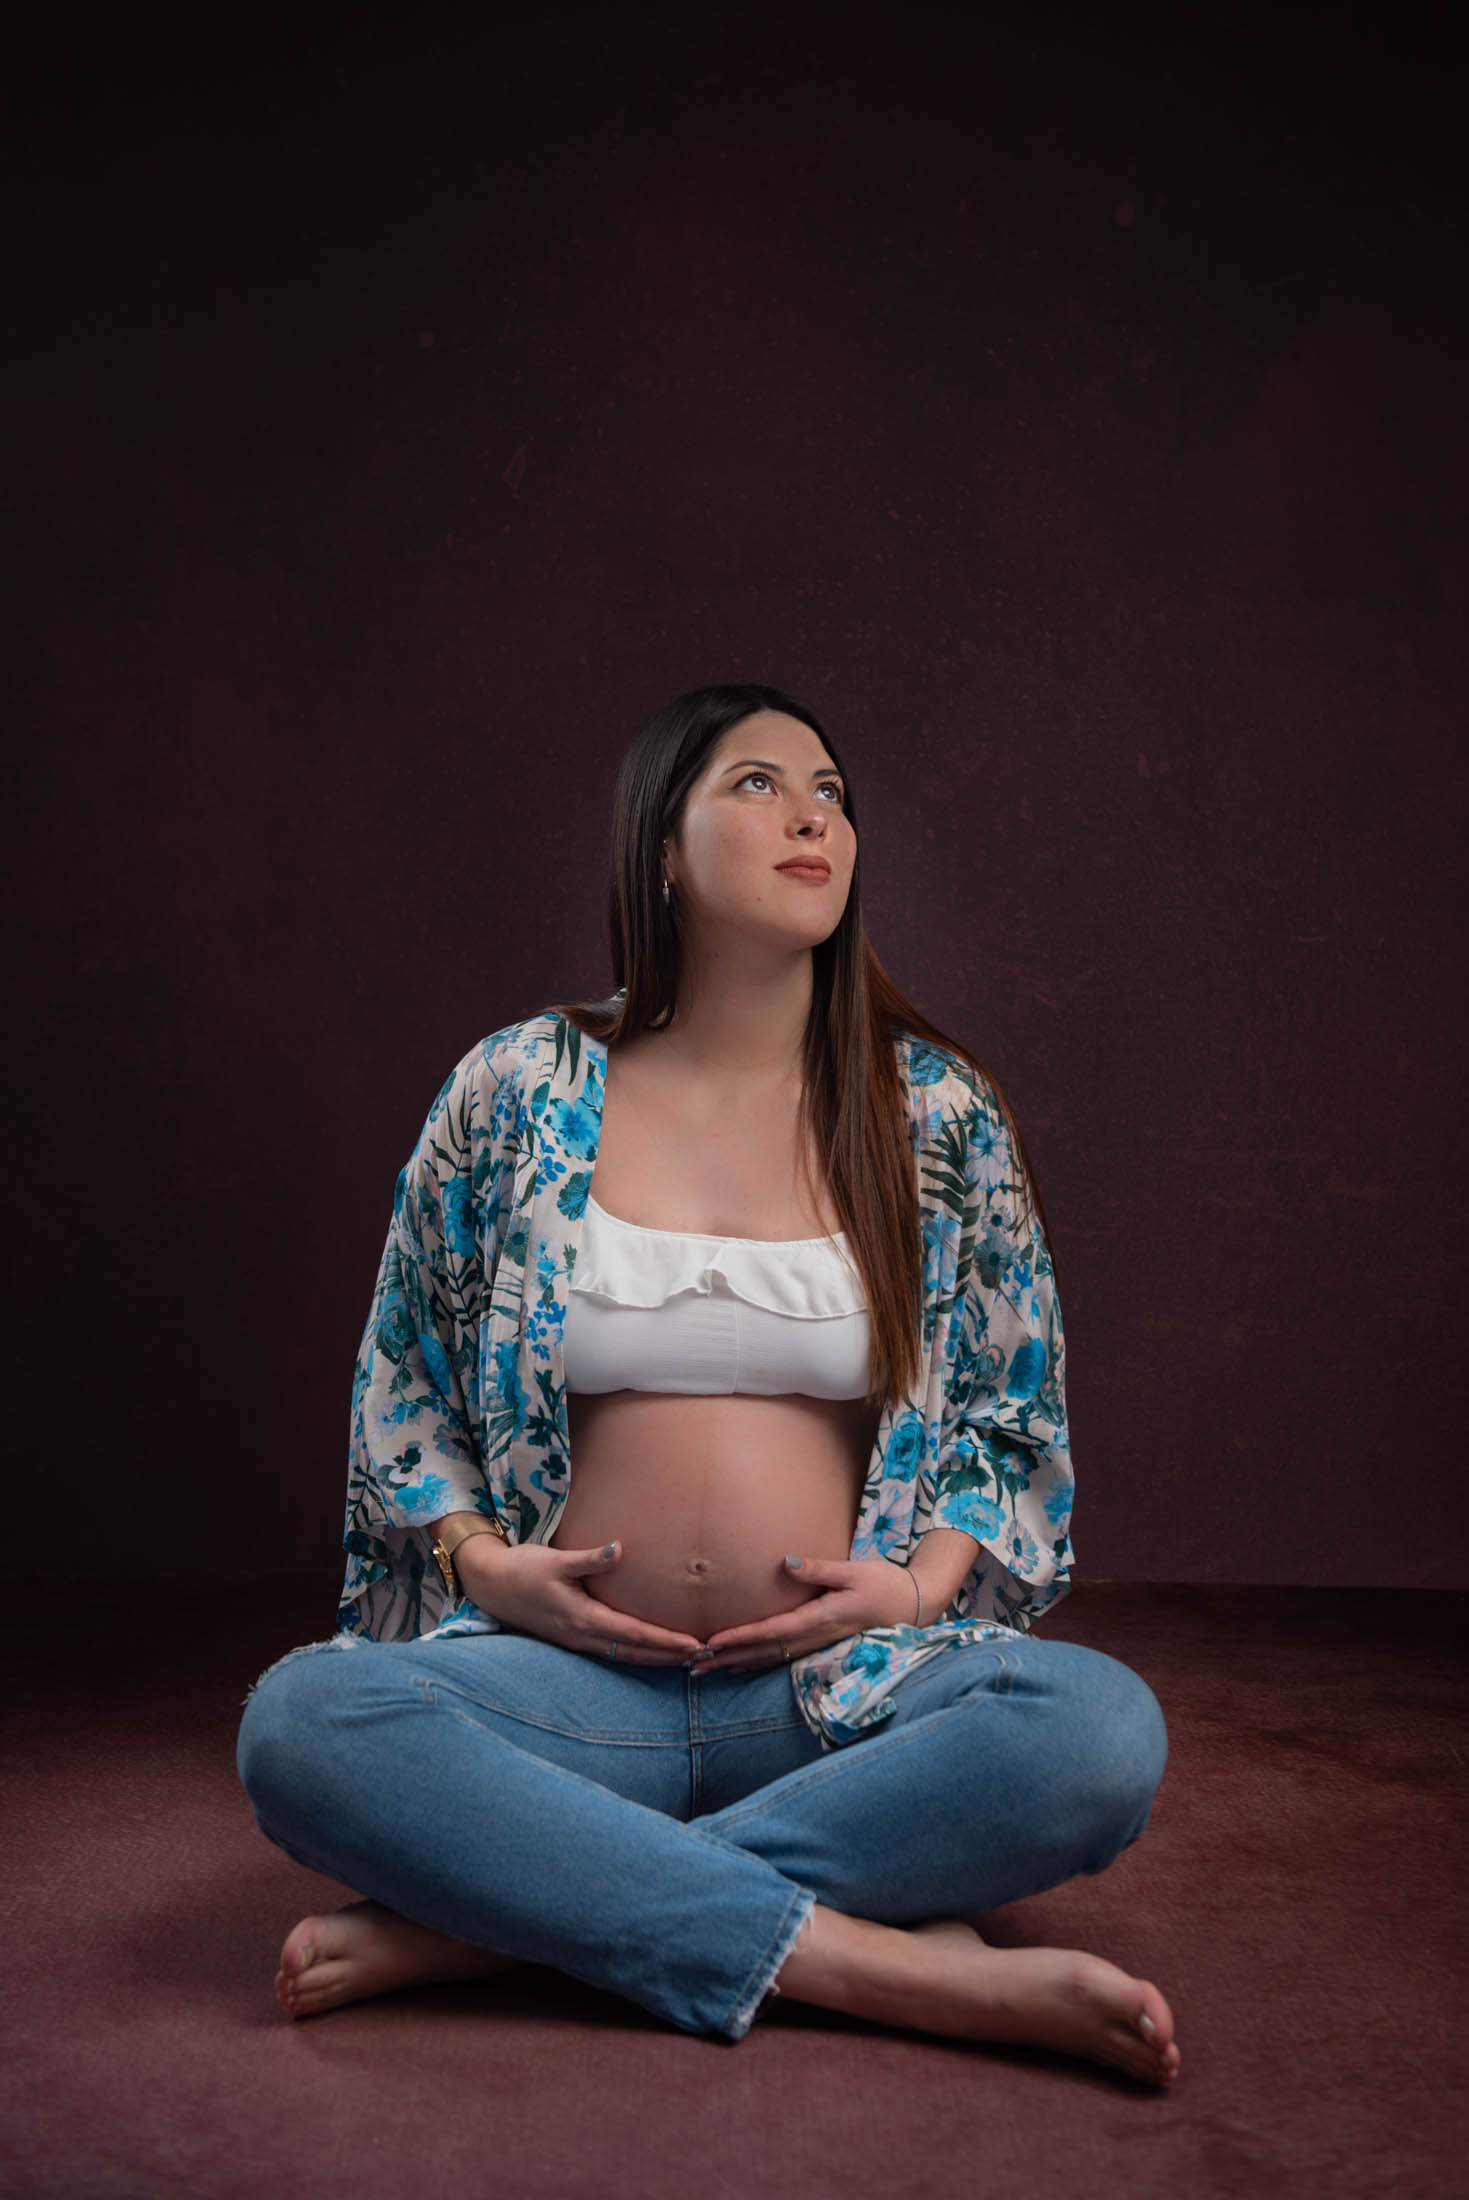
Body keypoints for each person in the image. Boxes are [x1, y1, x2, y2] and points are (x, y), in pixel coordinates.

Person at [236, 682, 1180, 2086]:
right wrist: (486, 1569)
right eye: (756, 783)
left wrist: (916, 1590)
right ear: (660, 849)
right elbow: (406, 1378)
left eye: (830, 793)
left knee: (1097, 1735)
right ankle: (887, 1967)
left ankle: (501, 1926)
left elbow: (1006, 1406)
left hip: (839, 1703)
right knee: (301, 1729)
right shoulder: (516, 1088)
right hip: (569, 1697)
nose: (812, 816)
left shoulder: (931, 1110)